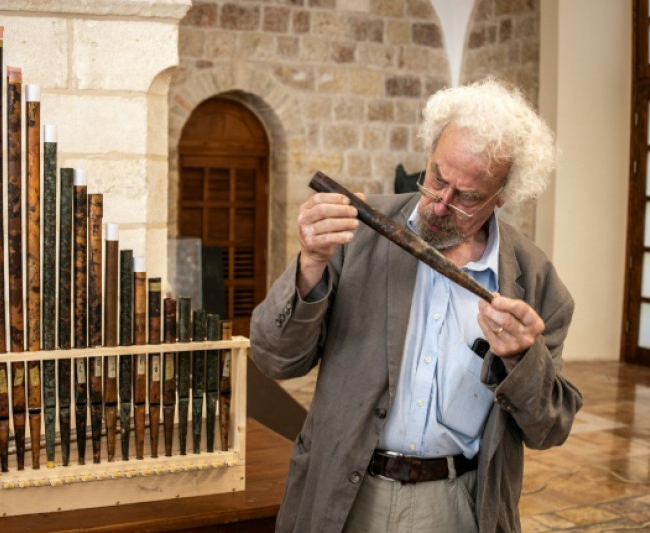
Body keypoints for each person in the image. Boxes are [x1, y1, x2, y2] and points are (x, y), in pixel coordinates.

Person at [249, 77, 583, 533]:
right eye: (436, 179)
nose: (442, 204)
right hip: (343, 492)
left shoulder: (537, 283)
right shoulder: (359, 232)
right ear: (429, 154)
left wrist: (523, 359)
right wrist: (310, 264)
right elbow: (274, 358)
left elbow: (550, 428)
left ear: (502, 195)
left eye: (467, 197)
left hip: (455, 504)